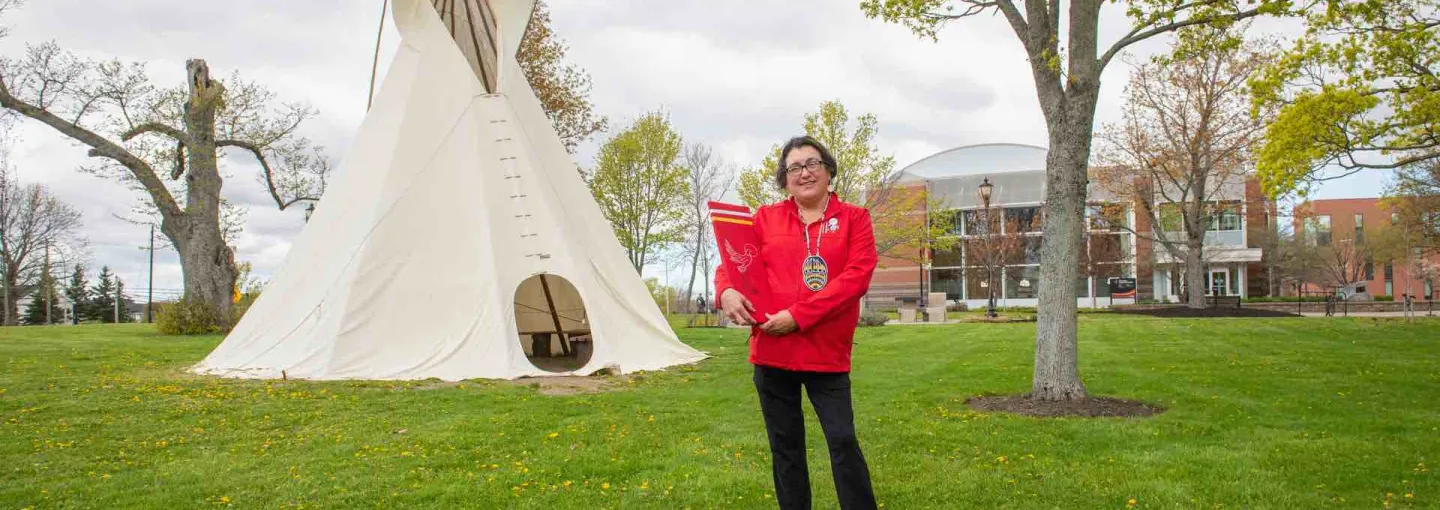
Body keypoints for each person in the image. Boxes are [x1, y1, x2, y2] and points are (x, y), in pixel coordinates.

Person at [715, 136, 879, 510]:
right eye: (794, 168)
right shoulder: (764, 218)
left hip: (826, 355)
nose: (803, 173)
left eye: (811, 164)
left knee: (842, 442)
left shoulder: (855, 218)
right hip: (772, 352)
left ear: (828, 169)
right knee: (786, 449)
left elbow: (856, 278)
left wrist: (799, 317)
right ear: (785, 178)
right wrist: (725, 291)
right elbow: (730, 262)